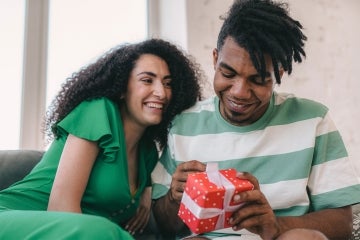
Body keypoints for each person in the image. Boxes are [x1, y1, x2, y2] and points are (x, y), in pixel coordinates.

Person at [151, 0, 360, 239]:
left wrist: (277, 226)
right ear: (215, 59)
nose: (239, 91)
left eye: (258, 79)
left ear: (278, 74)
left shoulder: (313, 121)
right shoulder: (183, 126)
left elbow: (343, 224)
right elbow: (160, 225)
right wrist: (173, 198)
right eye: (228, 73)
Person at [0, 38, 203, 239]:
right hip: (11, 218)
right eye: (147, 80)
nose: (161, 93)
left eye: (168, 84)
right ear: (123, 88)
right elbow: (61, 206)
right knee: (106, 231)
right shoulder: (98, 110)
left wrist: (146, 191)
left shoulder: (147, 153)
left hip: (77, 232)